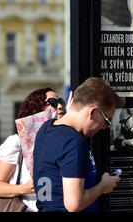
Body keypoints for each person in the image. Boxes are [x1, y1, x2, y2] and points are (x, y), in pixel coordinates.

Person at [33, 77, 125, 212]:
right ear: (92, 112)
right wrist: (103, 187)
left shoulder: (46, 128)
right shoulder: (73, 143)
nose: (105, 127)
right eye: (107, 120)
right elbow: (74, 204)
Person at [0, 87, 65, 212]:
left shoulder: (62, 141)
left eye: (61, 101)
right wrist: (24, 188)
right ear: (36, 109)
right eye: (53, 103)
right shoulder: (17, 142)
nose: (60, 106)